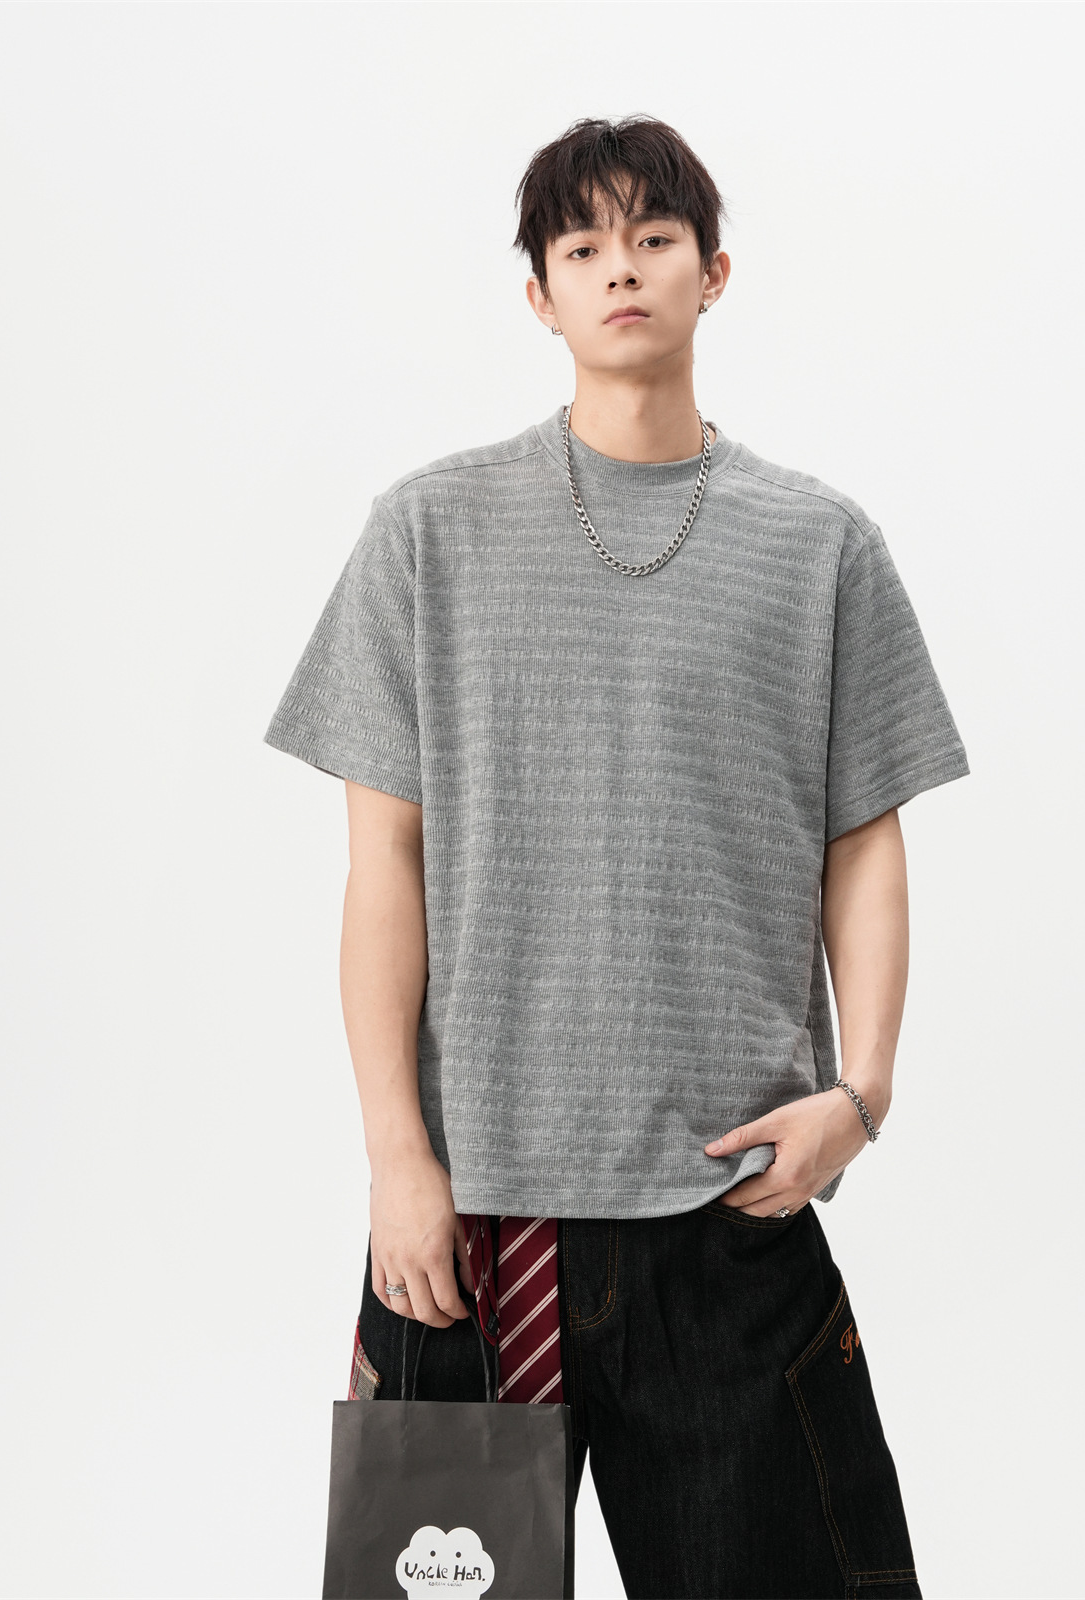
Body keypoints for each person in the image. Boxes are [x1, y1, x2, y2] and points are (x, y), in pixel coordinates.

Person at [264, 114, 969, 1600]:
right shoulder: (427, 533)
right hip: (473, 1225)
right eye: (582, 246)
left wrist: (865, 1093)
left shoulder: (820, 545)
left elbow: (865, 843)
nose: (622, 269)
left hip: (730, 1206)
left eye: (654, 237)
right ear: (540, 295)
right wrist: (397, 1157)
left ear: (716, 271)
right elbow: (383, 868)